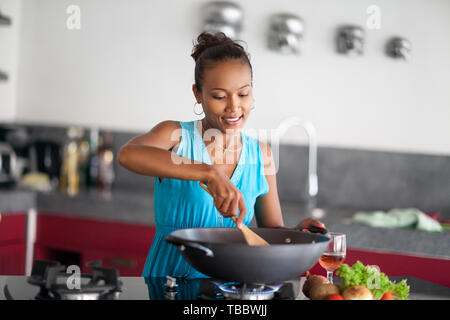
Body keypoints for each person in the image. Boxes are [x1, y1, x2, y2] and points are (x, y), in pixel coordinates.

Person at [118, 32, 326, 279]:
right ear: (198, 94)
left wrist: (297, 234)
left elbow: (270, 231)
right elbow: (128, 154)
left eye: (243, 94)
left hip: (232, 288)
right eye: (219, 96)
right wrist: (208, 172)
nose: (234, 106)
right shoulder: (176, 136)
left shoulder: (261, 154)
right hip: (170, 283)